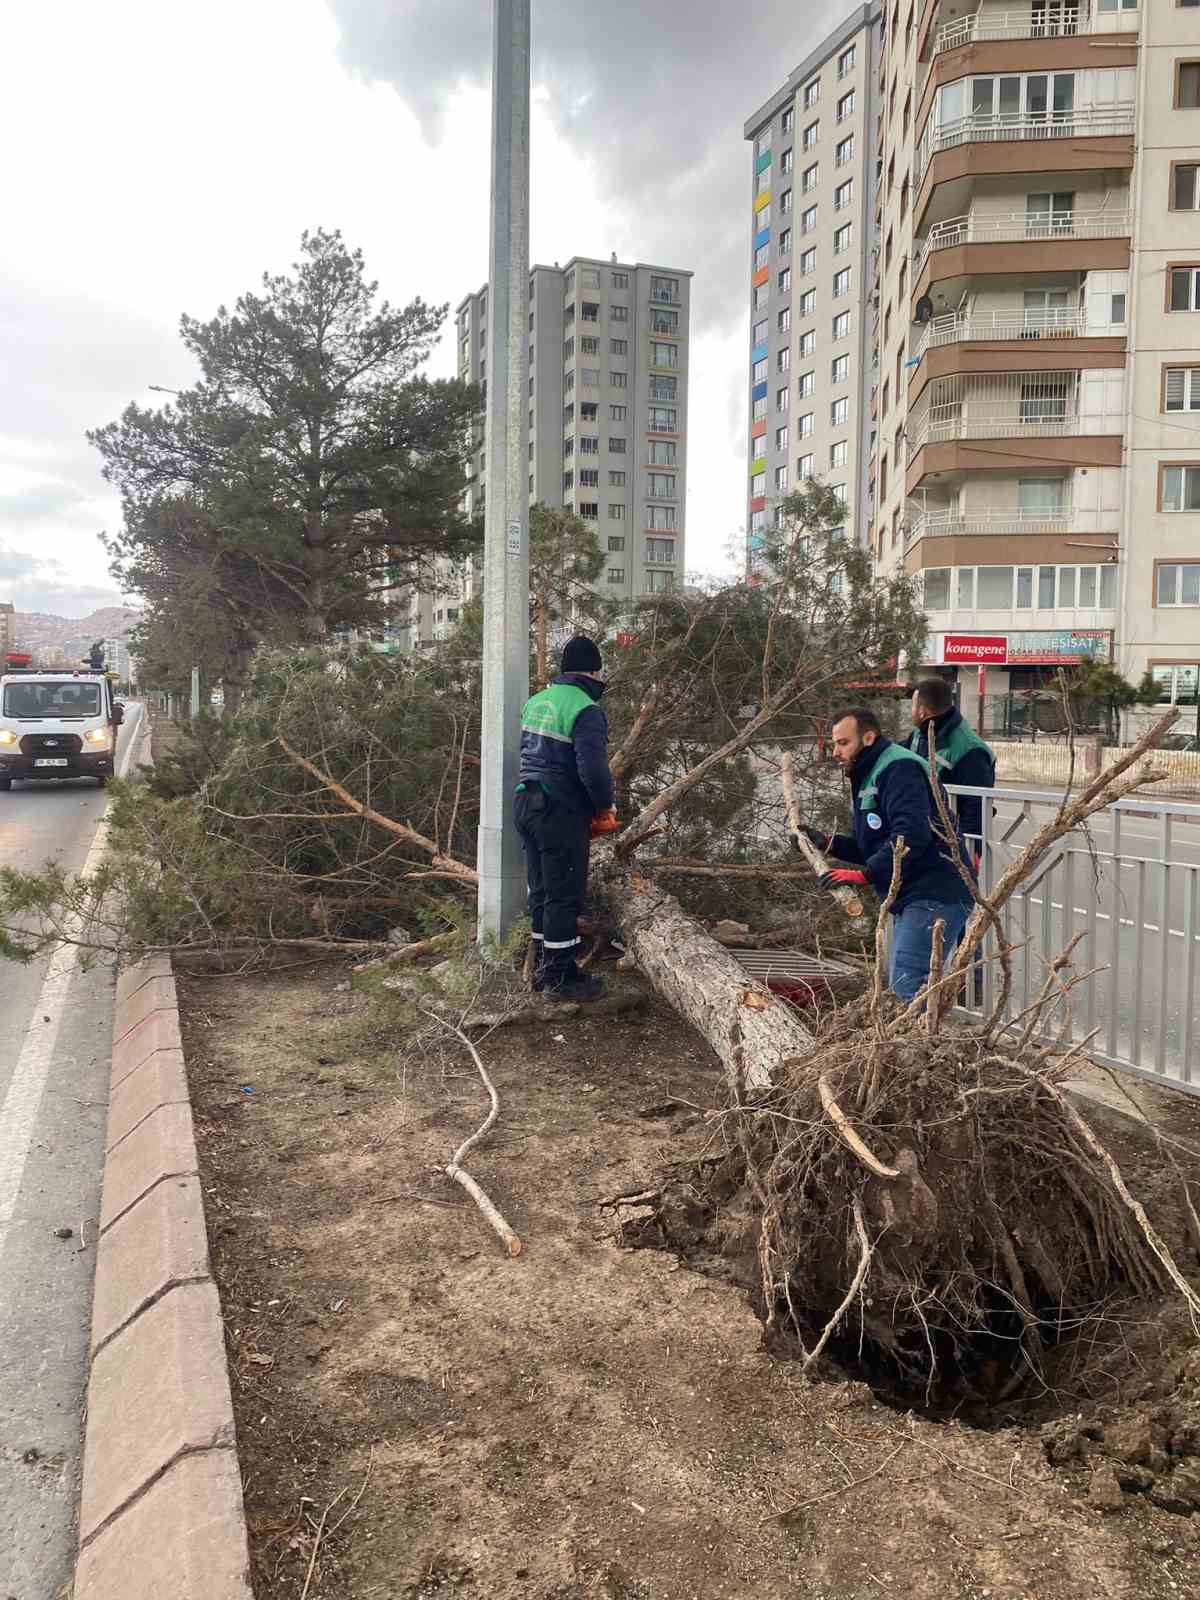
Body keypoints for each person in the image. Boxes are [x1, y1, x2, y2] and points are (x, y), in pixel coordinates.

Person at [795, 707, 974, 1004]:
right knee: (907, 985)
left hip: (934, 893)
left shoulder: (899, 768)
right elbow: (875, 844)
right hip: (916, 894)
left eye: (843, 743)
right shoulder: (872, 771)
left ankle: (919, 1034)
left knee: (908, 986)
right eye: (834, 744)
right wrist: (828, 843)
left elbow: (910, 835)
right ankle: (921, 1030)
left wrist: (866, 874)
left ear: (868, 738)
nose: (836, 752)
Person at [514, 635, 615, 1002]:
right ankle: (560, 980)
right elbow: (593, 770)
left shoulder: (536, 701)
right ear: (594, 672)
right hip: (558, 810)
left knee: (542, 892)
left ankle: (546, 967)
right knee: (564, 896)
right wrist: (604, 806)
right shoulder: (586, 709)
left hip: (526, 803)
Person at [907, 676, 995, 857]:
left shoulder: (969, 749)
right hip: (922, 837)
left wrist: (970, 853)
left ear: (922, 710)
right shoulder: (920, 734)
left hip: (950, 845)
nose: (911, 711)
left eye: (913, 705)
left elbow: (975, 807)